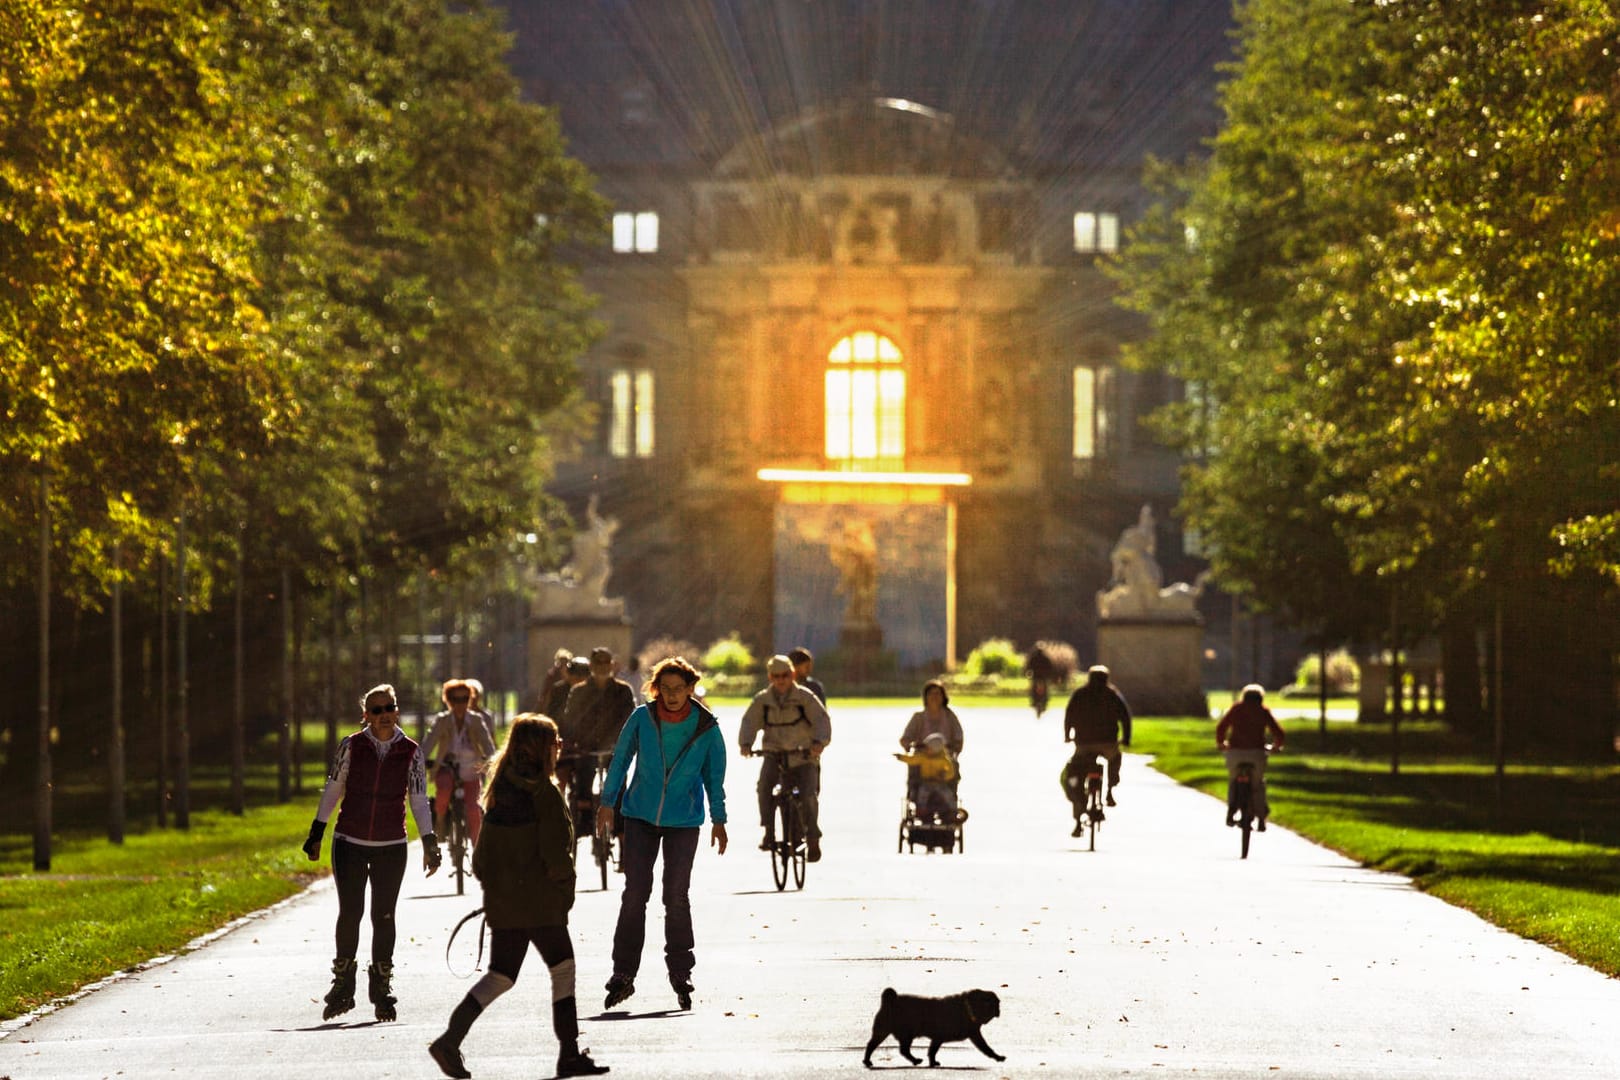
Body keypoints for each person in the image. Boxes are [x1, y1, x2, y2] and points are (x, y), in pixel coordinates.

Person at [428, 714, 608, 1079]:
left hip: (506, 905)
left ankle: (450, 1040)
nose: (559, 748)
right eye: (555, 742)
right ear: (542, 747)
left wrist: (501, 890)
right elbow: (556, 854)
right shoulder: (543, 791)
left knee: (501, 976)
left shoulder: (499, 791)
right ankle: (569, 1054)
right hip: (540, 904)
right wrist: (563, 896)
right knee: (563, 970)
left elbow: (480, 861)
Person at [302, 683, 439, 1023]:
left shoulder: (411, 751)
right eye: (376, 710)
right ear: (366, 715)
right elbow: (334, 787)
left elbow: (419, 800)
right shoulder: (352, 746)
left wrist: (430, 841)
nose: (384, 716)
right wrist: (317, 832)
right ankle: (342, 986)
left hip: (391, 844)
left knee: (384, 916)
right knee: (350, 913)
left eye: (389, 708)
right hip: (350, 839)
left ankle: (381, 987)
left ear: (396, 710)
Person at [597, 656, 728, 1012]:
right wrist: (608, 801)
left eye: (678, 689)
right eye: (665, 689)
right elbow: (621, 760)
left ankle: (681, 971)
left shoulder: (706, 727)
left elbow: (714, 777)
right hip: (639, 815)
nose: (671, 696)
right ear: (656, 690)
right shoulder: (642, 718)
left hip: (684, 822)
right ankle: (623, 973)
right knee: (635, 894)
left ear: (690, 689)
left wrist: (719, 818)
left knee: (676, 896)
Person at [738, 654, 832, 861]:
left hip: (803, 756)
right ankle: (768, 830)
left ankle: (813, 837)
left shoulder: (805, 697)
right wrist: (746, 744)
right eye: (776, 676)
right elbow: (749, 722)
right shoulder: (763, 700)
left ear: (792, 675)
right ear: (770, 677)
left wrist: (819, 743)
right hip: (775, 755)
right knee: (764, 786)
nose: (781, 680)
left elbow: (821, 719)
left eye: (785, 675)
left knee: (808, 794)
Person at [558, 646, 637, 828]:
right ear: (591, 665)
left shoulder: (623, 690)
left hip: (615, 748)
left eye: (606, 662)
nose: (602, 666)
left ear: (612, 665)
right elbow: (570, 719)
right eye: (598, 662)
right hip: (587, 748)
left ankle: (621, 832)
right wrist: (575, 741)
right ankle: (584, 817)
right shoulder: (579, 691)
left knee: (619, 786)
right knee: (582, 782)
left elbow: (629, 718)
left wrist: (622, 741)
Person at [425, 678, 498, 846]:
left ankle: (477, 850)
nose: (460, 704)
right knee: (443, 791)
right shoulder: (442, 720)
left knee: (474, 810)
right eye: (455, 700)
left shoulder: (476, 720)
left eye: (465, 699)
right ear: (448, 701)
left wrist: (491, 760)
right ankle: (441, 823)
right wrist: (421, 760)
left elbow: (488, 746)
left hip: (471, 770)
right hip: (447, 767)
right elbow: (428, 743)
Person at [1063, 665, 1132, 834]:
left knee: (1074, 775)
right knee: (1115, 759)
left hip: (1084, 744)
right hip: (1108, 743)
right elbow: (1125, 717)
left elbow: (1069, 715)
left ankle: (1078, 818)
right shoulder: (1113, 694)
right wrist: (1126, 738)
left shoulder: (1080, 694)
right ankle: (1109, 789)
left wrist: (1067, 735)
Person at [1215, 684, 1286, 830]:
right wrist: (1276, 747)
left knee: (1233, 780)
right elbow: (1278, 732)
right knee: (1257, 784)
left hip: (1235, 752)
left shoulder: (1236, 709)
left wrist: (1221, 743)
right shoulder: (1263, 711)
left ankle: (1231, 811)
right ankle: (1261, 818)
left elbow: (1221, 727)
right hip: (1257, 754)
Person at [893, 731, 959, 823]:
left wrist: (945, 775)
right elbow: (912, 760)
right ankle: (921, 809)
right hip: (926, 782)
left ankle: (952, 810)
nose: (926, 750)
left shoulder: (944, 760)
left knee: (947, 794)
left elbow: (951, 772)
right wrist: (901, 757)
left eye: (929, 748)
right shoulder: (923, 757)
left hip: (940, 782)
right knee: (922, 794)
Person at [898, 679, 964, 754]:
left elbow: (959, 738)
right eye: (931, 693)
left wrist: (954, 748)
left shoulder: (950, 717)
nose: (934, 696)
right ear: (925, 697)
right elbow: (905, 738)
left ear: (943, 697)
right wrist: (907, 744)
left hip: (945, 757)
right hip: (922, 758)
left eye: (937, 693)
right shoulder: (918, 717)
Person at [1025, 644, 1057, 718]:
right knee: (1043, 689)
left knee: (1034, 689)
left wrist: (1028, 672)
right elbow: (1050, 667)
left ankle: (1035, 701)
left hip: (1037, 677)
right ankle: (1043, 701)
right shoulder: (1045, 658)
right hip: (1042, 677)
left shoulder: (1034, 657)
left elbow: (1028, 666)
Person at [538, 648, 574, 714]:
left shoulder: (573, 675)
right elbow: (545, 693)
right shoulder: (552, 675)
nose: (563, 666)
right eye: (561, 663)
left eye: (565, 663)